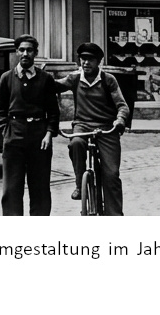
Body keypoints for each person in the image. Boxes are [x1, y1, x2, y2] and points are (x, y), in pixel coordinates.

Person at [54, 42, 131, 215]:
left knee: (111, 175)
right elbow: (56, 86)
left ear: (99, 62)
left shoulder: (108, 79)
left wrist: (119, 120)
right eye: (83, 59)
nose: (86, 63)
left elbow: (122, 106)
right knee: (76, 143)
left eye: (90, 59)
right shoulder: (74, 78)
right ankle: (79, 183)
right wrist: (41, 78)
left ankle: (114, 216)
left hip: (105, 128)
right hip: (82, 124)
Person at [0, 34, 60, 216]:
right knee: (12, 188)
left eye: (29, 50)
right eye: (21, 50)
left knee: (40, 187)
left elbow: (53, 112)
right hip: (14, 136)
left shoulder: (45, 79)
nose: (25, 53)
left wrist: (48, 133)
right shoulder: (7, 78)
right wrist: (6, 131)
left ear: (35, 53)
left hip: (39, 138)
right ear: (16, 52)